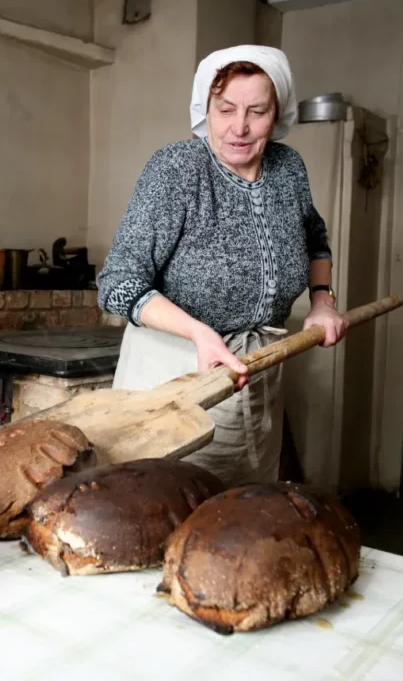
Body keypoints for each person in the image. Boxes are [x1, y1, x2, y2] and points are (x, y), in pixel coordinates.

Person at [96, 45, 348, 486]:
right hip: (178, 377)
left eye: (257, 111)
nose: (240, 127)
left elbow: (315, 237)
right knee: (175, 504)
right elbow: (118, 284)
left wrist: (322, 301)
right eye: (226, 109)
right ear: (205, 108)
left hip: (258, 372)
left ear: (278, 113)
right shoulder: (177, 169)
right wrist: (198, 332)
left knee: (243, 515)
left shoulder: (288, 169)